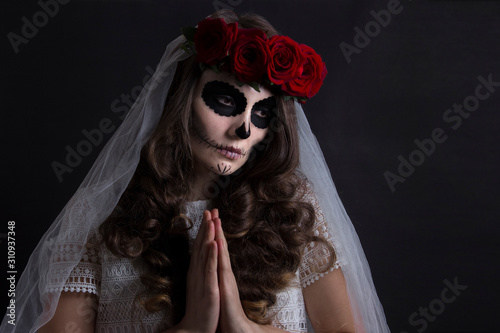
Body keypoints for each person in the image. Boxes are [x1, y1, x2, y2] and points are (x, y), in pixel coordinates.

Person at [1, 10, 390, 333]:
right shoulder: (98, 214)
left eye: (262, 113)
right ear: (182, 99)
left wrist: (248, 329)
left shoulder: (295, 209)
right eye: (225, 99)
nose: (244, 128)